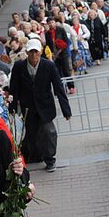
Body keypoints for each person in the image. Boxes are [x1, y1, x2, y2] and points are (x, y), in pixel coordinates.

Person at [9, 39, 72, 172]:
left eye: (36, 52)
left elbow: (58, 88)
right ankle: (35, 157)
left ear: (41, 51)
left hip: (45, 106)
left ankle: (50, 159)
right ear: (26, 52)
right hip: (28, 108)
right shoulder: (19, 67)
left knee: (49, 132)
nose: (33, 55)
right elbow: (14, 89)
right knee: (31, 135)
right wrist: (12, 109)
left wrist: (66, 110)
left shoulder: (49, 66)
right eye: (31, 52)